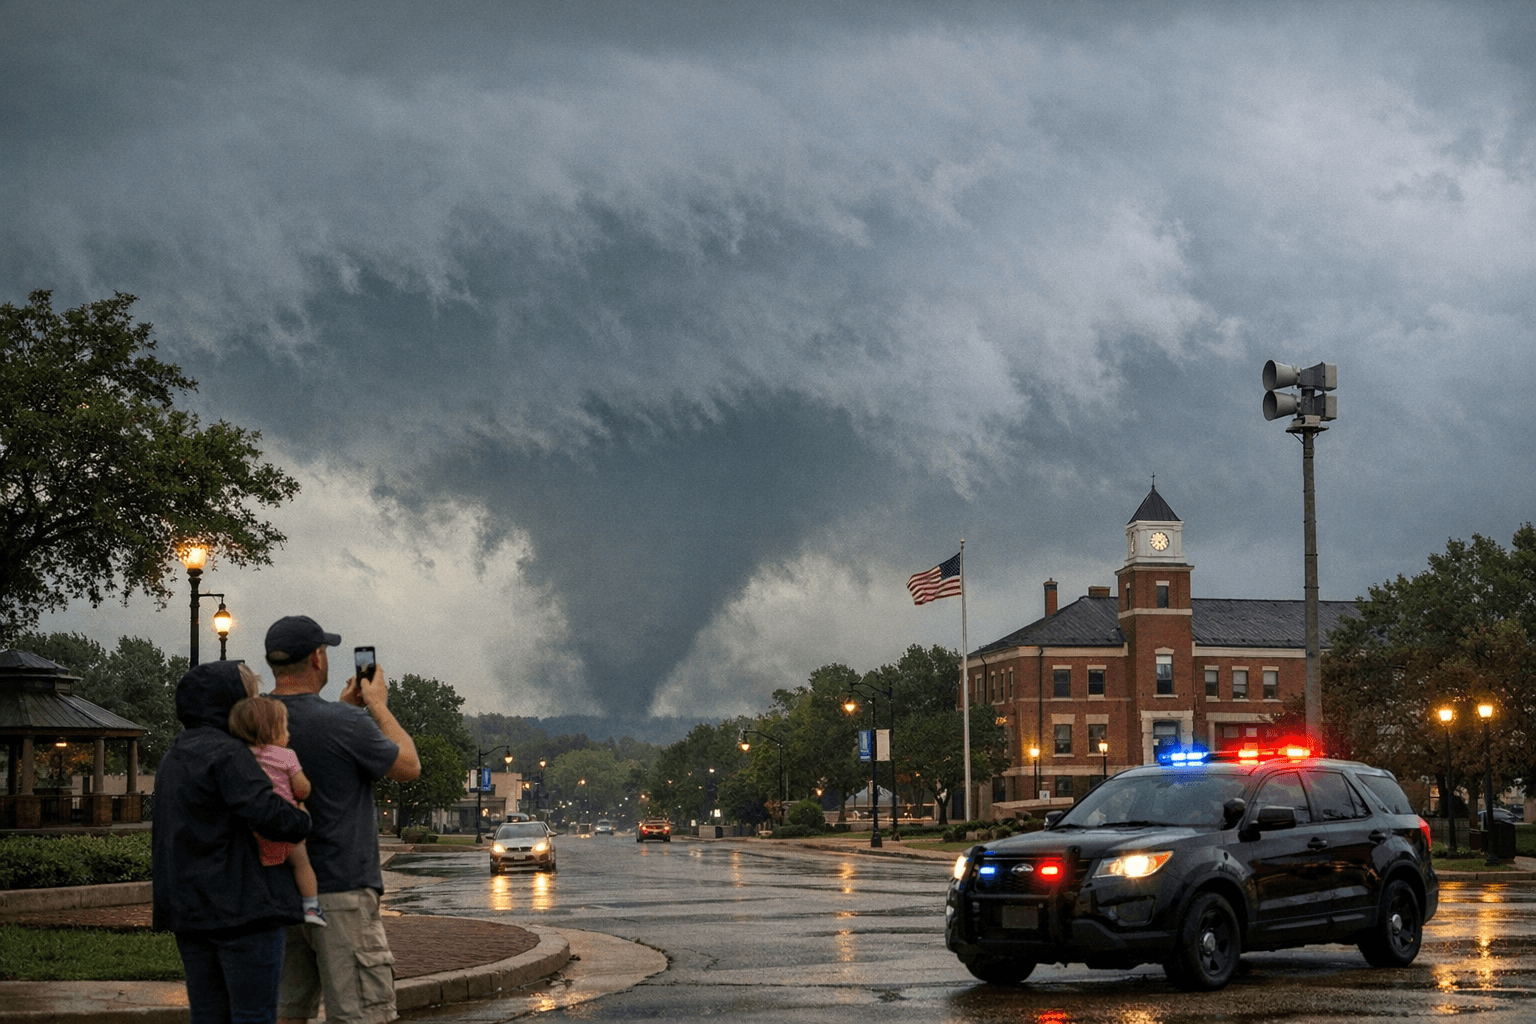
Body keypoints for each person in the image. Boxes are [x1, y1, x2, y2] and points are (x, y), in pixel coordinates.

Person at [264, 615, 420, 1024]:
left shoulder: (251, 721)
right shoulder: (345, 724)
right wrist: (377, 705)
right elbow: (408, 765)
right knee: (360, 1014)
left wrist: (342, 708)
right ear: (318, 658)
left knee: (282, 1013)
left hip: (272, 896)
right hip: (341, 893)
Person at [152, 660, 312, 1024]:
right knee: (252, 1016)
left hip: (190, 911)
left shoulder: (173, 757)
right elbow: (271, 815)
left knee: (208, 1015)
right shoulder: (229, 754)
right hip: (244, 911)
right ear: (229, 701)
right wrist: (301, 816)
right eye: (249, 696)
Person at [228, 695, 328, 927]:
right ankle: (311, 906)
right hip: (288, 828)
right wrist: (305, 788)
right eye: (284, 728)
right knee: (302, 865)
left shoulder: (241, 757)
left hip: (254, 831)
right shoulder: (286, 755)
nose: (289, 734)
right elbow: (302, 789)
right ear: (272, 731)